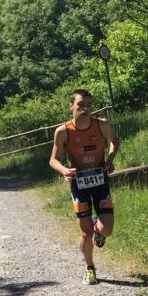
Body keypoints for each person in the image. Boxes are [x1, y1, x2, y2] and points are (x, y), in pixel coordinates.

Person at [48, 89, 119, 284]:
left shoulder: (101, 125)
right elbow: (53, 160)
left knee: (107, 230)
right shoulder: (63, 132)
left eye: (89, 105)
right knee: (85, 233)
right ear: (71, 106)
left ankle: (99, 230)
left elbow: (115, 142)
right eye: (80, 105)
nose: (85, 109)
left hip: (100, 180)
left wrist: (109, 160)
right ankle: (90, 268)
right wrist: (63, 170)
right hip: (79, 185)